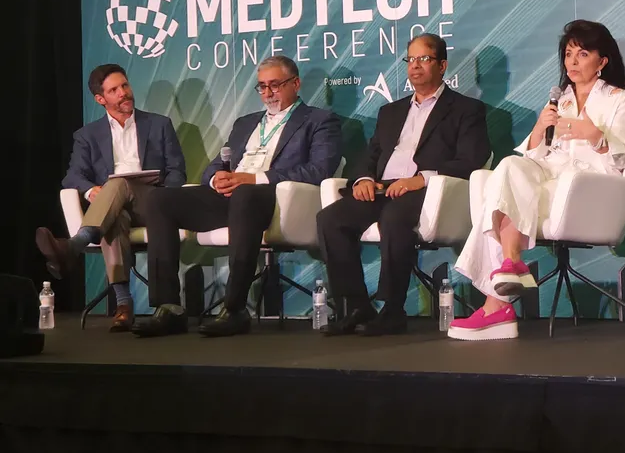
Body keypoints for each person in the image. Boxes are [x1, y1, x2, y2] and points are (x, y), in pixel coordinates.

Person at [448, 20, 625, 341]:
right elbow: (534, 158)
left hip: (587, 190)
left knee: (503, 196)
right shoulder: (560, 100)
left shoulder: (623, 101)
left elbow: (623, 157)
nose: (573, 62)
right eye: (568, 54)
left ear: (602, 61)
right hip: (550, 181)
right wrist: (540, 129)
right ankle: (511, 264)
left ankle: (495, 307)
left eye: (582, 54)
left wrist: (593, 135)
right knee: (509, 167)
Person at [132, 55, 342, 338]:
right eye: (262, 87)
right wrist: (216, 177)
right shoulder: (246, 123)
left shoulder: (319, 120)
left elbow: (320, 169)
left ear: (296, 83)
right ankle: (169, 307)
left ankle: (234, 308)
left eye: (275, 85)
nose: (267, 93)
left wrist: (254, 179)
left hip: (274, 199)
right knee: (160, 200)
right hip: (232, 195)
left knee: (245, 194)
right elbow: (220, 162)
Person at [316, 34, 490, 336]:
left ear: (442, 65)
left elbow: (472, 159)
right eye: (410, 59)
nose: (415, 66)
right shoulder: (390, 111)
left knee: (393, 217)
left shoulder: (465, 109)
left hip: (425, 190)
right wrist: (363, 179)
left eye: (424, 59)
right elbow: (370, 155)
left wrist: (421, 178)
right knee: (330, 219)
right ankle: (358, 305)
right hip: (382, 188)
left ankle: (393, 309)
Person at [37, 64, 186, 332]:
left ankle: (75, 245)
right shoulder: (87, 135)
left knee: (118, 184)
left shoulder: (159, 124)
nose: (124, 93)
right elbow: (73, 176)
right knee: (114, 208)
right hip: (113, 207)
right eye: (114, 90)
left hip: (154, 203)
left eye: (125, 86)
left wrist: (168, 198)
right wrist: (91, 190)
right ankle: (124, 305)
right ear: (100, 99)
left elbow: (177, 170)